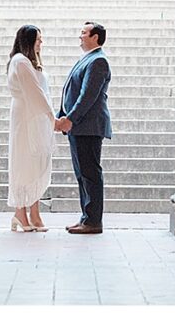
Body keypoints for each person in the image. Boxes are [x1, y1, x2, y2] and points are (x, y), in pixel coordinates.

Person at [55, 21, 112, 234]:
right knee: (82, 174)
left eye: (83, 33)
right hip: (79, 127)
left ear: (95, 37)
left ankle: (93, 221)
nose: (80, 36)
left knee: (90, 173)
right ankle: (87, 217)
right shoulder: (89, 59)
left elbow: (87, 96)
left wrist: (69, 119)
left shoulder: (98, 61)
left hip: (88, 126)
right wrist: (63, 116)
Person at [6, 24, 55, 232]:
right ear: (28, 41)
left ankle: (34, 213)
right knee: (23, 162)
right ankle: (20, 212)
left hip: (35, 119)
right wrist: (53, 118)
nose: (41, 43)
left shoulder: (30, 62)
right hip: (26, 118)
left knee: (35, 163)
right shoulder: (20, 61)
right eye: (37, 40)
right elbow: (34, 92)